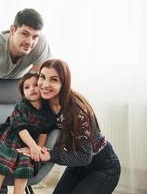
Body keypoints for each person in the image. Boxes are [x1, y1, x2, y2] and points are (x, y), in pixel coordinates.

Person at [18, 59, 121, 194]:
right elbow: (24, 120)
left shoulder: (77, 112)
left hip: (102, 167)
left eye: (53, 80)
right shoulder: (44, 103)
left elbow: (85, 157)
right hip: (76, 166)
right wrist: (32, 147)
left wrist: (50, 155)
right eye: (42, 77)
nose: (45, 84)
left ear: (64, 83)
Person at [0, 73, 56, 194]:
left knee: (25, 168)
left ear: (42, 87)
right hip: (10, 138)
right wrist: (33, 146)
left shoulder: (48, 112)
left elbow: (44, 133)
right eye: (27, 87)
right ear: (23, 93)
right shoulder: (21, 106)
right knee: (1, 167)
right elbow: (21, 129)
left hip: (28, 143)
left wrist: (37, 149)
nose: (31, 89)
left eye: (35, 85)